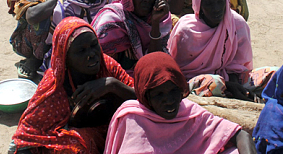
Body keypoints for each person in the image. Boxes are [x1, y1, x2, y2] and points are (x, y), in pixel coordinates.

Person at [8, 18, 135, 154]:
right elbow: (26, 137)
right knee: (75, 145)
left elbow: (143, 99)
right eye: (81, 51)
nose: (92, 54)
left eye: (94, 45)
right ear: (65, 58)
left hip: (114, 130)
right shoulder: (55, 84)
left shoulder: (107, 67)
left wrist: (112, 85)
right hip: (79, 137)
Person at [104, 52, 257, 154]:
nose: (169, 101)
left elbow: (240, 135)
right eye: (159, 95)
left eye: (173, 91)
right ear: (146, 96)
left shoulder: (190, 113)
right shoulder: (132, 119)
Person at [169, 0, 275, 100]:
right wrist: (228, 85)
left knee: (275, 75)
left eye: (220, 2)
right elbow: (178, 71)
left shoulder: (237, 24)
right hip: (199, 82)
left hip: (234, 79)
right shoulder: (186, 30)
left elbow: (238, 64)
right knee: (215, 84)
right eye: (209, 4)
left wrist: (235, 84)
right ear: (199, 6)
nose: (216, 9)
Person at [92, 0, 172, 74]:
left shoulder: (161, 19)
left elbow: (155, 61)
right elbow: (103, 69)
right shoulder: (111, 23)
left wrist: (155, 22)